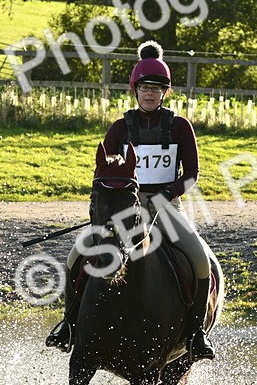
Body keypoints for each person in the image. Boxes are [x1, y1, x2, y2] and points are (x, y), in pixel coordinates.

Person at [46, 40, 216, 360]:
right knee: (75, 255)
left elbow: (191, 174)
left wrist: (166, 195)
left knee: (199, 258)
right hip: (127, 208)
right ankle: (69, 324)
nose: (150, 94)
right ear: (134, 90)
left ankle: (196, 335)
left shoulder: (179, 127)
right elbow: (106, 174)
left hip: (167, 206)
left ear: (165, 92)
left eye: (157, 88)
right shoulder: (119, 129)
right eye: (145, 88)